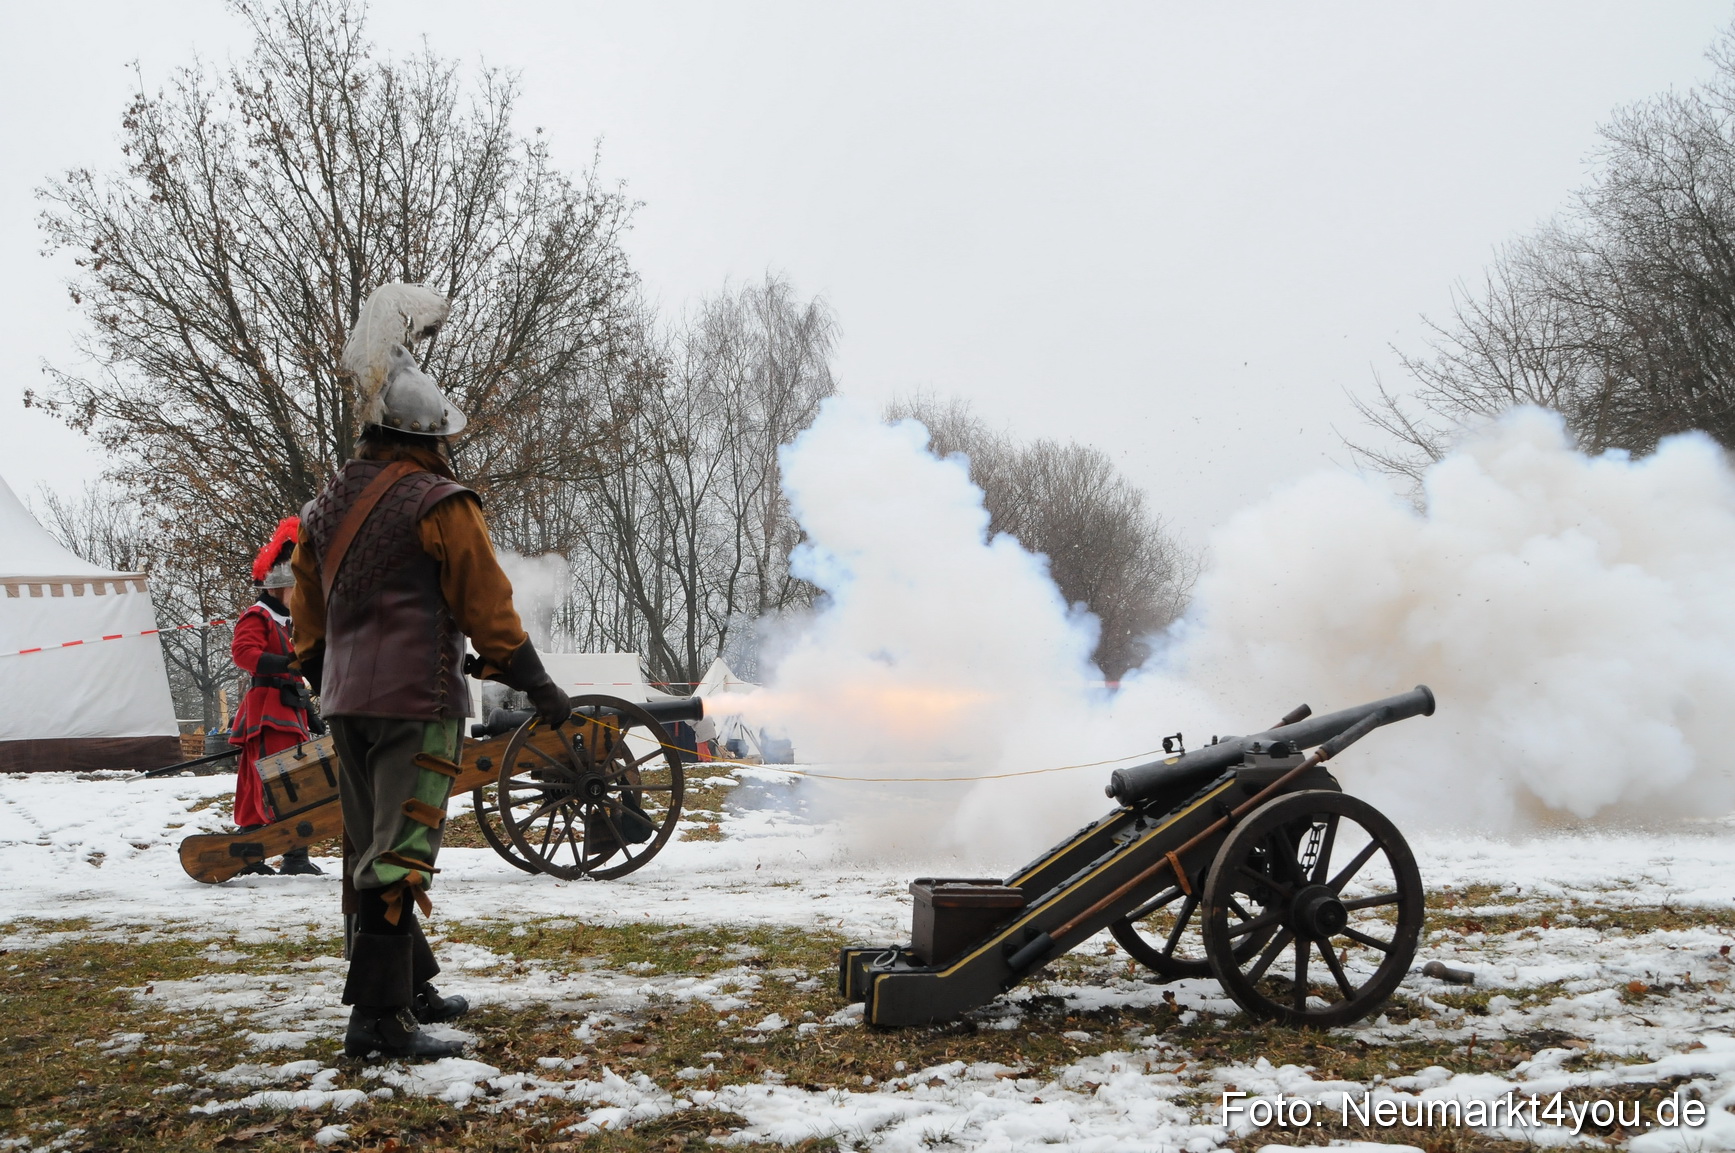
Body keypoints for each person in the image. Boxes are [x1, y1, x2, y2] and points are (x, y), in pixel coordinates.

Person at [290, 282, 571, 1061]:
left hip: (345, 704)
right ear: (425, 437)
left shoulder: (323, 507)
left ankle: (407, 987)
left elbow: (305, 620)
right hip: (416, 702)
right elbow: (488, 606)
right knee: (400, 854)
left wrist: (326, 679)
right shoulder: (441, 502)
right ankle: (376, 1024)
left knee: (365, 852)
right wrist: (540, 685)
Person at [229, 517, 323, 877]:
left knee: (296, 779)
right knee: (275, 780)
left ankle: (295, 857)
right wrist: (287, 661)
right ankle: (254, 853)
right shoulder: (258, 616)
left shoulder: (287, 621)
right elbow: (244, 655)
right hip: (268, 711)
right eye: (295, 589)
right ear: (277, 587)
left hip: (289, 708)